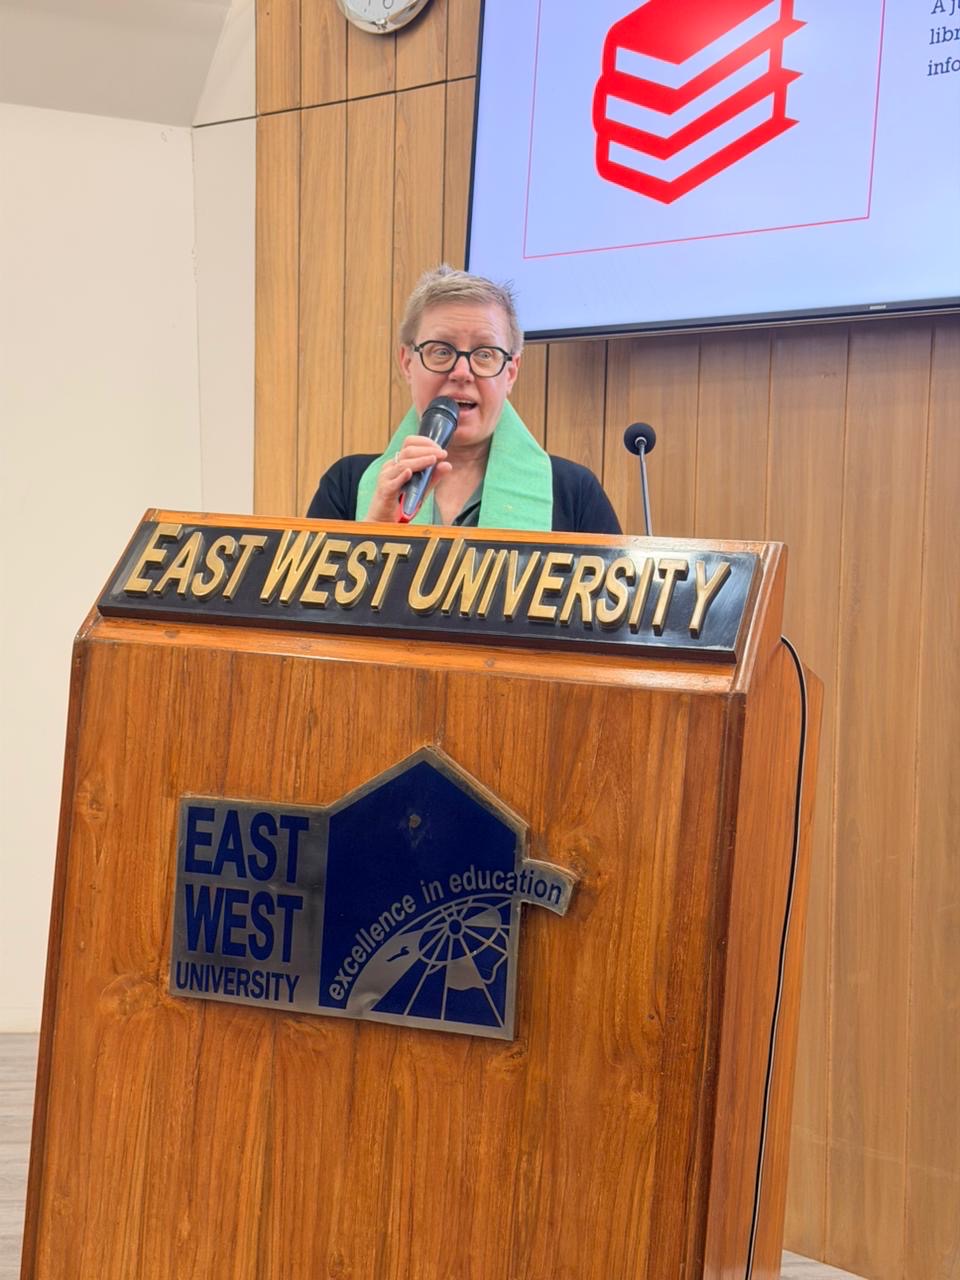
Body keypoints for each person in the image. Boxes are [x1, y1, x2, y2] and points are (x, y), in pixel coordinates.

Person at [306, 265, 621, 534]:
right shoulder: (346, 485)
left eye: (484, 354)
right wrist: (374, 531)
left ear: (511, 371)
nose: (461, 372)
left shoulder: (574, 493)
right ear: (407, 363)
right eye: (441, 351)